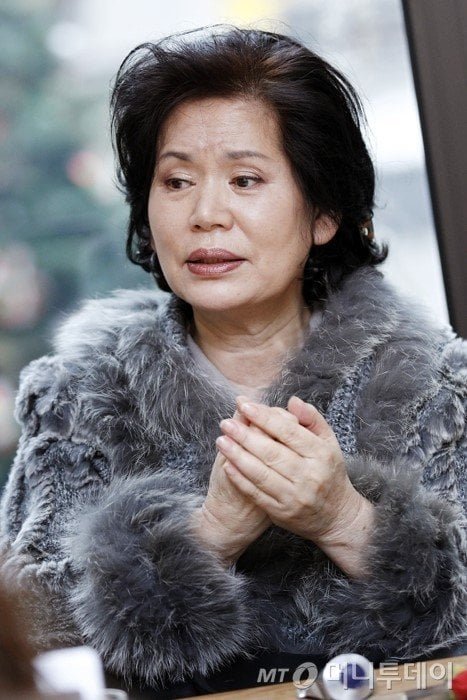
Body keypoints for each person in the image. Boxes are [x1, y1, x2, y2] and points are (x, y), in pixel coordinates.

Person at [1, 25, 466, 699]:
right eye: (176, 180)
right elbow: (25, 635)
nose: (205, 213)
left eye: (245, 179)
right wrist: (208, 536)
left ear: (324, 211)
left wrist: (343, 518)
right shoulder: (80, 392)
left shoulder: (434, 382)